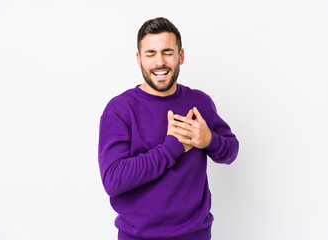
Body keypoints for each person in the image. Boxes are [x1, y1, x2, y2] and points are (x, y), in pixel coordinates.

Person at [98, 17, 239, 240]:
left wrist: (209, 140)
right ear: (139, 59)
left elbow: (231, 151)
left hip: (195, 234)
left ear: (180, 56)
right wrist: (171, 148)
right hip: (137, 236)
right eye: (150, 53)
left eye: (168, 52)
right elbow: (113, 181)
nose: (159, 62)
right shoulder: (119, 109)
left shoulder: (200, 102)